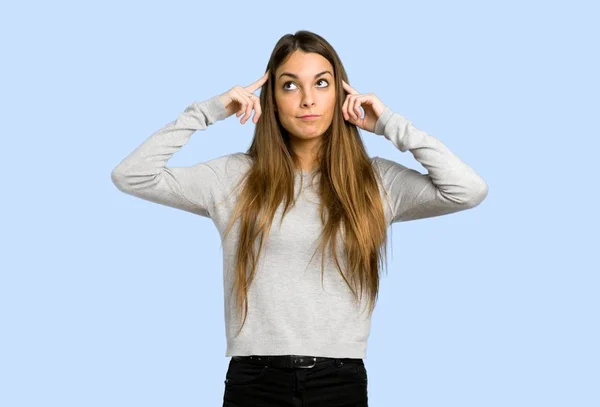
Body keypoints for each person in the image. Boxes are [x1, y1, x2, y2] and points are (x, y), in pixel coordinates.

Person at [111, 30, 488, 407]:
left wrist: (389, 123)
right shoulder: (232, 179)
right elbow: (132, 175)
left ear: (340, 94)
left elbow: (467, 189)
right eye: (290, 86)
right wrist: (209, 111)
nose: (308, 99)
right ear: (271, 100)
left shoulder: (374, 182)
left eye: (321, 84)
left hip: (339, 380)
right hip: (254, 380)